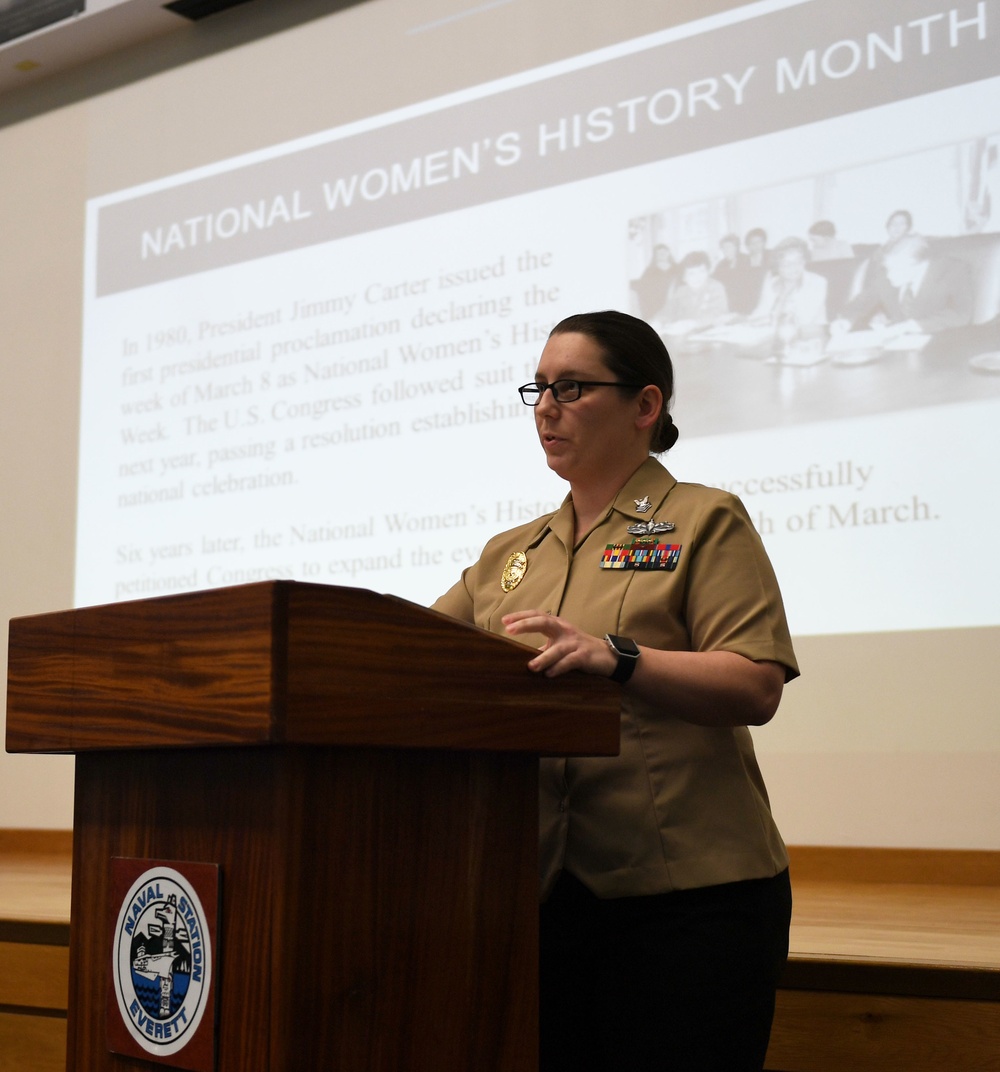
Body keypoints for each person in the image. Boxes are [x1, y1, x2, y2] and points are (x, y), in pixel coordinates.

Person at [432, 311, 799, 1072]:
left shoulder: (704, 520)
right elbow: (414, 653)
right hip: (546, 898)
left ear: (645, 405)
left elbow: (755, 682)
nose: (546, 406)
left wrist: (617, 658)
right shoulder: (510, 555)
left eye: (572, 386)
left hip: (692, 901)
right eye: (538, 388)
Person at [832, 233, 973, 339]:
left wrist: (914, 326)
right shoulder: (887, 274)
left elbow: (961, 314)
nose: (888, 275)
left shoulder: (953, 270)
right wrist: (845, 321)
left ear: (920, 264)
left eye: (894, 270)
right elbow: (860, 303)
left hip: (941, 347)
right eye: (887, 268)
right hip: (898, 349)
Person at [750, 236, 828, 333]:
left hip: (810, 339)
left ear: (804, 261)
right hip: (774, 337)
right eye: (787, 264)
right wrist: (743, 321)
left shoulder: (817, 282)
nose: (794, 267)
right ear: (777, 267)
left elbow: (803, 320)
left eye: (798, 261)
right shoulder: (771, 283)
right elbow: (760, 313)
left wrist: (768, 320)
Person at [658, 250, 729, 329]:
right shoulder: (681, 291)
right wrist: (659, 321)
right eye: (692, 273)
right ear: (684, 277)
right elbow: (669, 309)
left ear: (708, 272)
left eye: (701, 271)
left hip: (712, 332)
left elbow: (716, 312)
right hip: (686, 333)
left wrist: (693, 323)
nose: (698, 277)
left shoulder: (715, 287)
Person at [630, 243, 680, 320]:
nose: (662, 254)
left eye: (664, 252)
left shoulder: (676, 268)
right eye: (659, 253)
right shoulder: (650, 270)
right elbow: (642, 285)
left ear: (669, 253)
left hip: (673, 299)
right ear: (655, 255)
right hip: (656, 301)